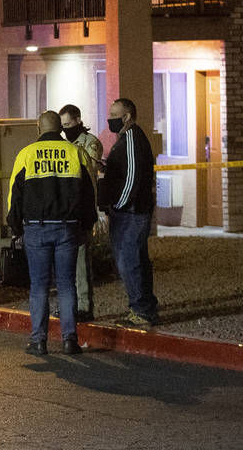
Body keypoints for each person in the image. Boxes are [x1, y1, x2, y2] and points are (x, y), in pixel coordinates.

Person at [6, 111, 97, 356]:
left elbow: (15, 195)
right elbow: (88, 194)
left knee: (39, 286)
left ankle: (39, 341)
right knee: (67, 284)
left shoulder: (26, 154)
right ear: (60, 129)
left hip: (36, 228)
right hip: (67, 227)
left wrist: (15, 228)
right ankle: (69, 340)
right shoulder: (75, 153)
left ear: (39, 128)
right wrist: (88, 225)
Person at [100, 97, 159, 327]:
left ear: (127, 117)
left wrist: (118, 205)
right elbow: (126, 170)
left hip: (132, 212)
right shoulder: (124, 139)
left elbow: (132, 178)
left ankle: (141, 311)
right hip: (130, 210)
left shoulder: (132, 138)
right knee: (136, 259)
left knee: (128, 261)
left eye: (114, 114)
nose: (110, 119)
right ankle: (145, 306)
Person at [59, 104, 104, 321]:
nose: (65, 129)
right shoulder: (65, 144)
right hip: (67, 209)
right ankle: (70, 305)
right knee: (67, 262)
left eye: (68, 124)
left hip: (83, 208)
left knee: (80, 262)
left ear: (78, 120)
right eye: (62, 126)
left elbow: (88, 170)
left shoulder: (90, 143)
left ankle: (85, 307)